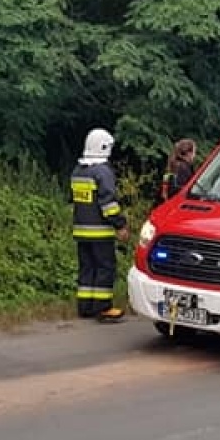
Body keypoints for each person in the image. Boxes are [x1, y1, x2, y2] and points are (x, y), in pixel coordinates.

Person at [71, 127, 129, 323]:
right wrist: (120, 224)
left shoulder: (78, 170)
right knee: (105, 268)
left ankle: (85, 307)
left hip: (81, 231)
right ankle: (103, 308)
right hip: (100, 233)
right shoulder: (103, 172)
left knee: (86, 268)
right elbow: (108, 204)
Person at [156, 138, 198, 206]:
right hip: (176, 205)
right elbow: (181, 190)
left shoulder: (174, 165)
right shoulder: (183, 168)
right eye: (194, 152)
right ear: (189, 153)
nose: (194, 155)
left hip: (165, 204)